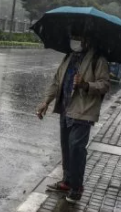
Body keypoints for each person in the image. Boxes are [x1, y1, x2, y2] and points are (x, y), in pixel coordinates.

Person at [36, 35, 110, 203]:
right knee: (66, 148)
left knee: (76, 148)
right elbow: (56, 82)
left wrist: (86, 85)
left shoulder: (98, 60)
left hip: (83, 111)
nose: (80, 41)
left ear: (91, 40)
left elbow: (105, 84)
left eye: (84, 38)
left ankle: (77, 187)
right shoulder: (69, 56)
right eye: (78, 37)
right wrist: (46, 101)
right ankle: (67, 182)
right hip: (65, 108)